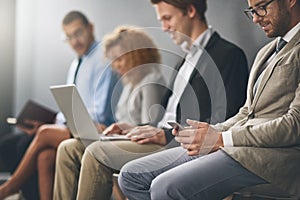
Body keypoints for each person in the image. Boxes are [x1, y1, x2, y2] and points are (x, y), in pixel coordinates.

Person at [53, 0, 249, 199]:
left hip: (177, 144)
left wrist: (165, 134)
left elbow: (224, 122)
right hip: (160, 135)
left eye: (167, 18)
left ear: (190, 11)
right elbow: (165, 114)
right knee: (68, 148)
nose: (164, 27)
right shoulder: (184, 60)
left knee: (97, 153)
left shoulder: (229, 55)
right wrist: (133, 128)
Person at [118, 0, 300, 199]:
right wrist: (213, 132)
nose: (255, 18)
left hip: (273, 156)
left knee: (164, 188)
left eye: (262, 7)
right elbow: (247, 112)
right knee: (130, 176)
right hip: (238, 144)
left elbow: (294, 124)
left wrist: (222, 139)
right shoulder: (266, 52)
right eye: (252, 11)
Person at [0, 10, 118, 200]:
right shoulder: (76, 64)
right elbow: (71, 107)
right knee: (45, 156)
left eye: (78, 33)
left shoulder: (103, 58)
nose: (74, 41)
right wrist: (57, 120)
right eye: (69, 37)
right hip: (75, 126)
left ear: (90, 28)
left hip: (97, 129)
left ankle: (9, 188)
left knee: (45, 133)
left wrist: (63, 124)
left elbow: (100, 112)